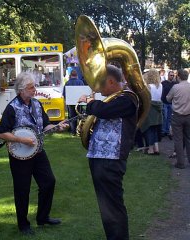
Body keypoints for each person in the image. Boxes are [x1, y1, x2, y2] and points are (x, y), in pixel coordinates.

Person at [0, 72, 67, 235]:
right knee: (22, 189)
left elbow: (46, 126)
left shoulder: (36, 104)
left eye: (34, 86)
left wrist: (57, 127)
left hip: (38, 151)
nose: (34, 89)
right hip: (20, 155)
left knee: (49, 182)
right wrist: (21, 140)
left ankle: (43, 217)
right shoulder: (12, 108)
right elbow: (2, 133)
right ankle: (23, 224)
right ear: (21, 90)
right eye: (31, 87)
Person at [78, 64, 138, 240]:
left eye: (100, 84)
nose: (97, 88)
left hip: (111, 159)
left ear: (111, 81)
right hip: (99, 157)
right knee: (106, 206)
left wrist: (90, 103)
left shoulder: (128, 99)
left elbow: (103, 111)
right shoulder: (113, 99)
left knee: (113, 206)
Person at [166, 69, 190, 169]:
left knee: (178, 140)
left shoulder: (175, 87)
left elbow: (168, 98)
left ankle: (180, 162)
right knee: (189, 139)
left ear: (178, 76)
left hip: (177, 115)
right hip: (189, 115)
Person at [140, 69, 163, 154]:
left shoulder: (149, 86)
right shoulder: (160, 85)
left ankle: (150, 149)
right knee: (155, 129)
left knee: (149, 128)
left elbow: (147, 98)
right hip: (158, 109)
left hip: (150, 108)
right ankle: (156, 148)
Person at [63, 69, 84, 135]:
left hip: (70, 102)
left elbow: (64, 94)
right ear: (76, 75)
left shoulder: (67, 83)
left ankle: (73, 132)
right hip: (79, 102)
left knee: (72, 117)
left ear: (70, 75)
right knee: (80, 116)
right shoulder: (80, 82)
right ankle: (80, 131)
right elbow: (83, 92)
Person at [161, 70, 176, 137]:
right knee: (165, 117)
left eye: (173, 75)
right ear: (168, 75)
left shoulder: (175, 84)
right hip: (164, 102)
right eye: (171, 75)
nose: (172, 76)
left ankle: (167, 131)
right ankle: (163, 131)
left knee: (169, 118)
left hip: (172, 103)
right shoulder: (163, 83)